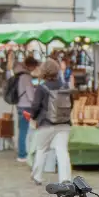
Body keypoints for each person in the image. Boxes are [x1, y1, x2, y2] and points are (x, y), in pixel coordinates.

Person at [25, 58, 72, 186]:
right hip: (64, 123)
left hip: (46, 123)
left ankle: (37, 176)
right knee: (62, 150)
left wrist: (33, 118)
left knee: (42, 149)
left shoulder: (42, 87)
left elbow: (35, 106)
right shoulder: (65, 86)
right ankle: (65, 178)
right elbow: (71, 104)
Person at [13, 56, 39, 162]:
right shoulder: (26, 77)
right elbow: (30, 95)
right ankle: (22, 154)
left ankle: (22, 152)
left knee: (22, 130)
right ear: (31, 66)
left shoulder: (19, 75)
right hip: (26, 106)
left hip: (20, 105)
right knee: (26, 130)